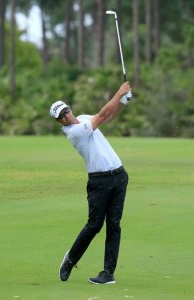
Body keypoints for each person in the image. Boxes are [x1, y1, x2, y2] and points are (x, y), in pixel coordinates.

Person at [50, 81, 132, 284]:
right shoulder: (74, 133)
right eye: (61, 116)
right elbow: (103, 115)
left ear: (69, 108)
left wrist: (123, 102)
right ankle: (70, 260)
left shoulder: (85, 118)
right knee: (94, 225)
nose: (66, 116)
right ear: (59, 122)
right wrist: (118, 93)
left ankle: (108, 273)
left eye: (66, 111)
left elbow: (109, 117)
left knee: (114, 225)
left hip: (120, 176)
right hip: (99, 181)